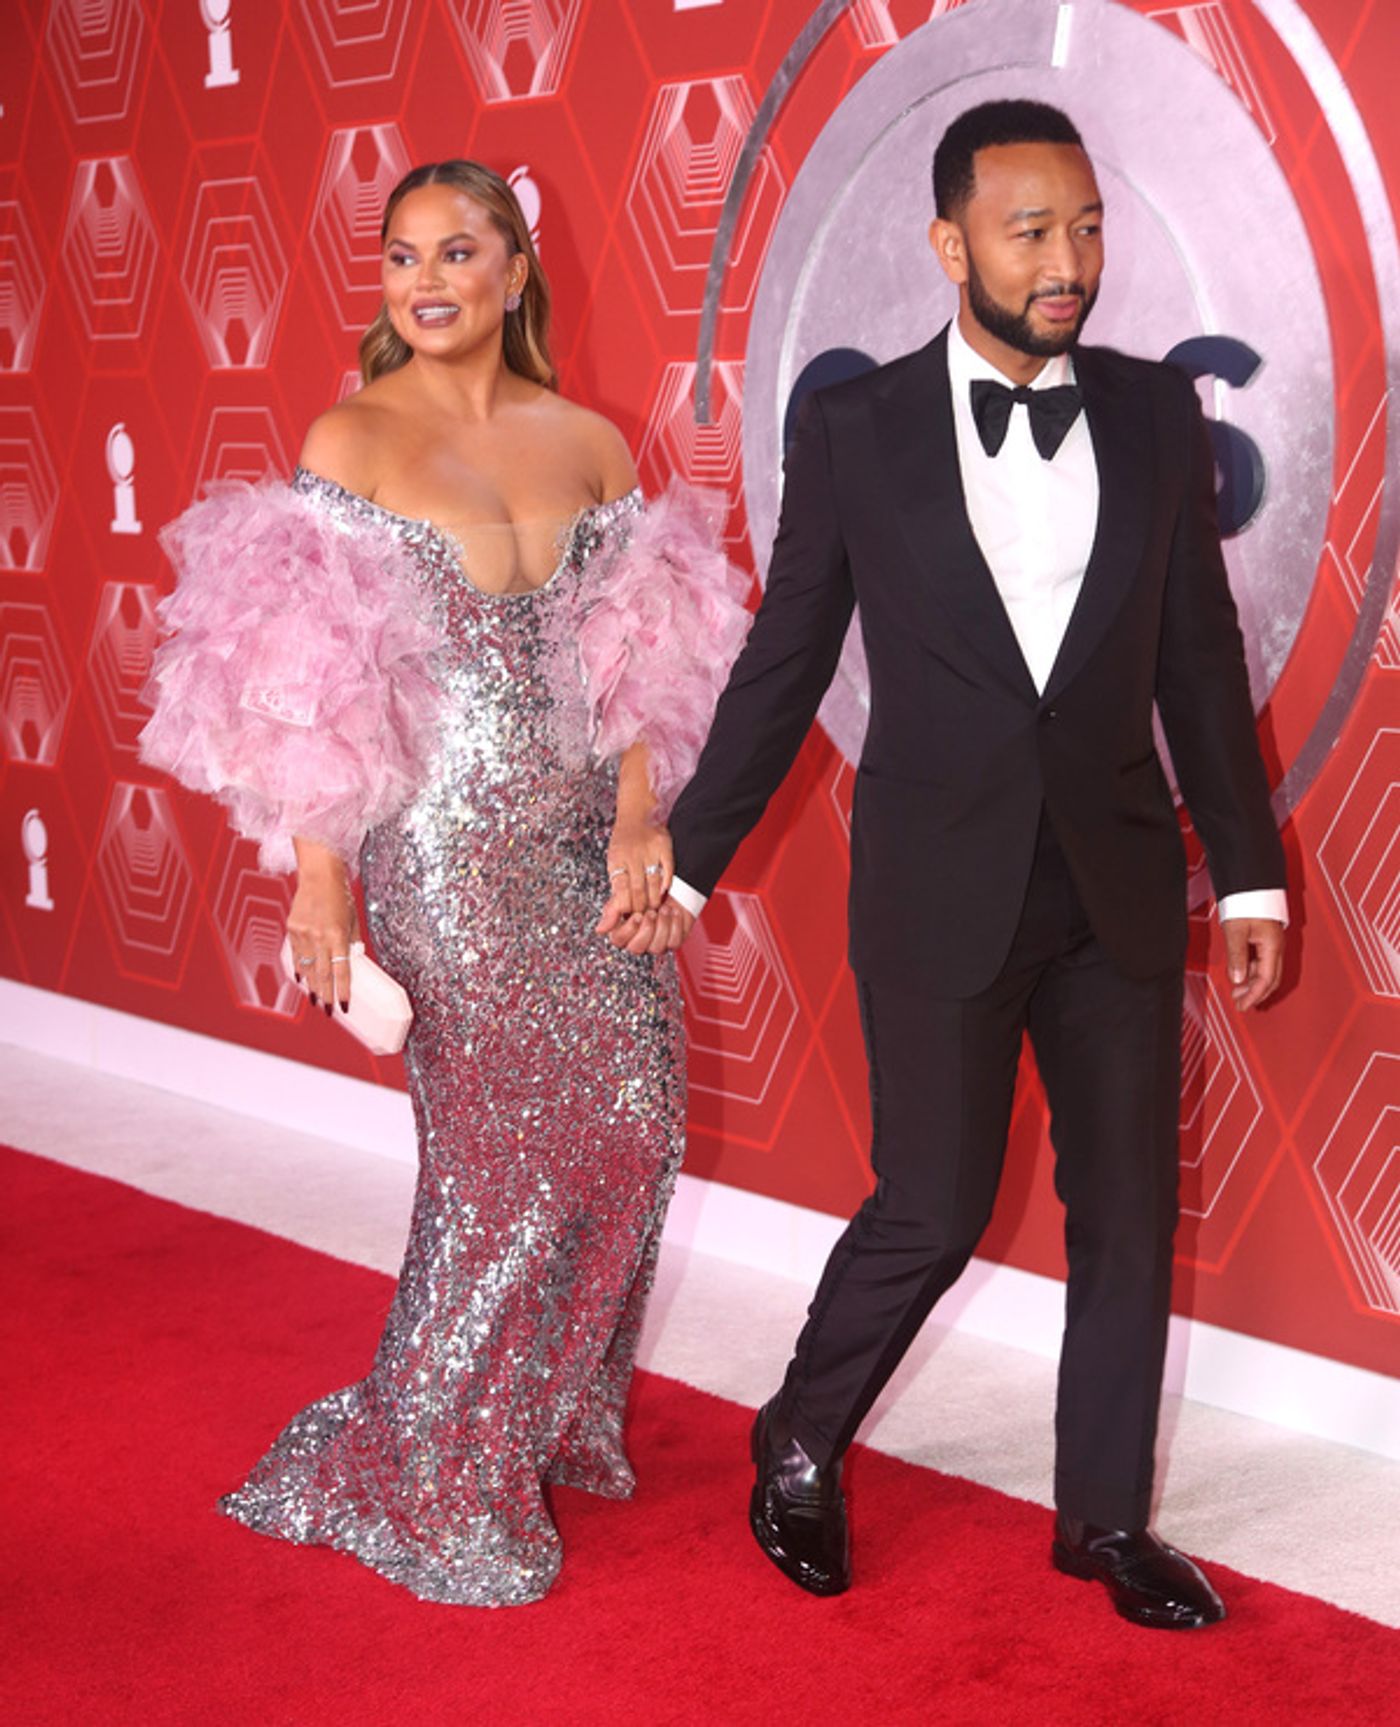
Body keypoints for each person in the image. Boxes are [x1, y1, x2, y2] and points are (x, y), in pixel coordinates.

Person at [644, 100, 1289, 1629]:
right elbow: (786, 661)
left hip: (1117, 883)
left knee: (1128, 1210)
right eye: (1029, 229)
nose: (1067, 260)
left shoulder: (1148, 412)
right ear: (950, 244)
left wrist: (1251, 876)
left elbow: (1199, 666)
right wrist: (686, 864)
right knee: (932, 1202)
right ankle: (800, 1431)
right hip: (940, 882)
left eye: (1085, 226)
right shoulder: (856, 430)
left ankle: (1103, 1522)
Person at [140, 160, 748, 1606]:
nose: (425, 279)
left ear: (515, 270)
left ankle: (533, 1416)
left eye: (459, 252)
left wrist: (639, 819)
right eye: (403, 254)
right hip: (441, 847)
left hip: (582, 843)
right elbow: (312, 689)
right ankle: (433, 1461)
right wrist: (321, 883)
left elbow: (646, 666)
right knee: (498, 1164)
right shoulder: (350, 440)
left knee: (634, 1126)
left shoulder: (591, 441)